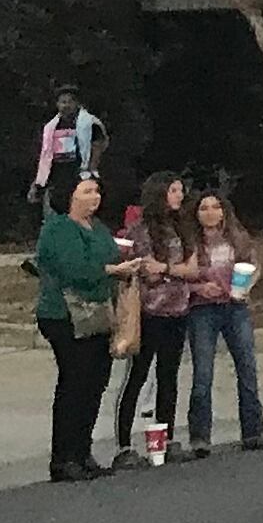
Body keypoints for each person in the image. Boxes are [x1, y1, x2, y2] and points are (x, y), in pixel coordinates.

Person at [34, 174, 132, 482]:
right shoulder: (58, 228)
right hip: (64, 314)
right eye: (87, 191)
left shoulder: (98, 228)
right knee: (74, 383)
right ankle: (63, 458)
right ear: (70, 196)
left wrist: (124, 266)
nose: (95, 196)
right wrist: (110, 270)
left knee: (95, 383)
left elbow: (110, 255)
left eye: (97, 191)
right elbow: (74, 269)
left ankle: (82, 451)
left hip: (97, 314)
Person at [111, 172, 201, 467]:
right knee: (137, 376)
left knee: (168, 377)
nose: (179, 196)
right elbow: (147, 271)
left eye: (180, 190)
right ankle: (124, 446)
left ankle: (165, 440)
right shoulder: (141, 230)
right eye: (173, 190)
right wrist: (169, 269)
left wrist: (167, 269)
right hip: (149, 311)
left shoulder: (182, 228)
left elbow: (192, 269)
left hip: (178, 308)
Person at [182, 187, 263, 456]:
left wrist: (247, 286)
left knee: (247, 367)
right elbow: (180, 276)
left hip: (235, 307)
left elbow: (253, 266)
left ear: (224, 211)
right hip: (202, 309)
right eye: (204, 208)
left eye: (215, 207)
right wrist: (199, 288)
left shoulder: (237, 238)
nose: (210, 213)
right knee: (203, 373)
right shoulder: (190, 243)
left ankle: (253, 431)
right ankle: (200, 436)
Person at [27, 85, 104, 208]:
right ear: (57, 104)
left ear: (77, 103)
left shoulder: (89, 123)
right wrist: (39, 182)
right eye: (63, 102)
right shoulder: (50, 127)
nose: (66, 105)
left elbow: (97, 145)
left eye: (70, 102)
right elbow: (45, 155)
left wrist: (92, 169)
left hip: (80, 175)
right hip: (58, 178)